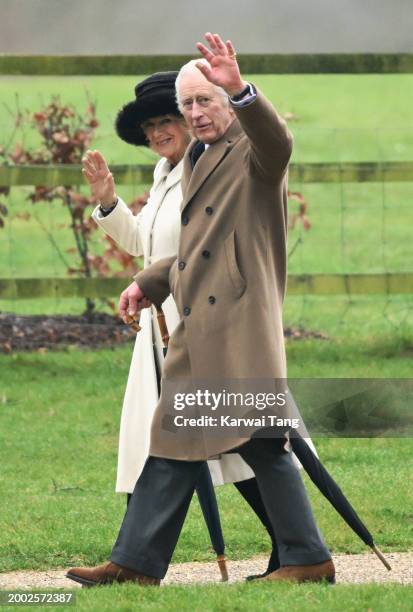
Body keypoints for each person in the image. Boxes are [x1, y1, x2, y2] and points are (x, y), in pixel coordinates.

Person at [67, 33, 335, 587]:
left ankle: (307, 559)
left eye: (203, 101)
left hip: (239, 324)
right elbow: (194, 246)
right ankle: (136, 564)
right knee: (174, 441)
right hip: (199, 325)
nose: (193, 113)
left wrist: (241, 91)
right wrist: (149, 282)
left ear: (224, 100)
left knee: (260, 440)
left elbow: (278, 140)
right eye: (188, 103)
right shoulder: (196, 156)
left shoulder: (254, 152)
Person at [82, 71, 286, 577]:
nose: (158, 132)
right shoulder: (164, 173)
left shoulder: (213, 166)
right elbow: (147, 245)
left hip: (206, 322)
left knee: (240, 446)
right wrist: (108, 203)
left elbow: (199, 249)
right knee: (166, 445)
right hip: (162, 324)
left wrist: (153, 282)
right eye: (149, 126)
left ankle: (297, 550)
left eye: (166, 120)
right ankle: (133, 561)